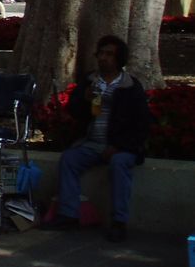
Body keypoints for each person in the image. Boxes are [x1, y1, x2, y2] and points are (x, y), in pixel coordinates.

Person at [44, 35, 151, 242]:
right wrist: (83, 100)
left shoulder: (130, 86)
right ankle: (68, 215)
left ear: (119, 58)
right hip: (91, 143)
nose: (103, 58)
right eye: (101, 54)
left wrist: (119, 146)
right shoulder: (91, 81)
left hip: (122, 147)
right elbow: (75, 112)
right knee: (69, 159)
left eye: (109, 54)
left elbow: (142, 124)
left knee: (119, 165)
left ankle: (119, 222)